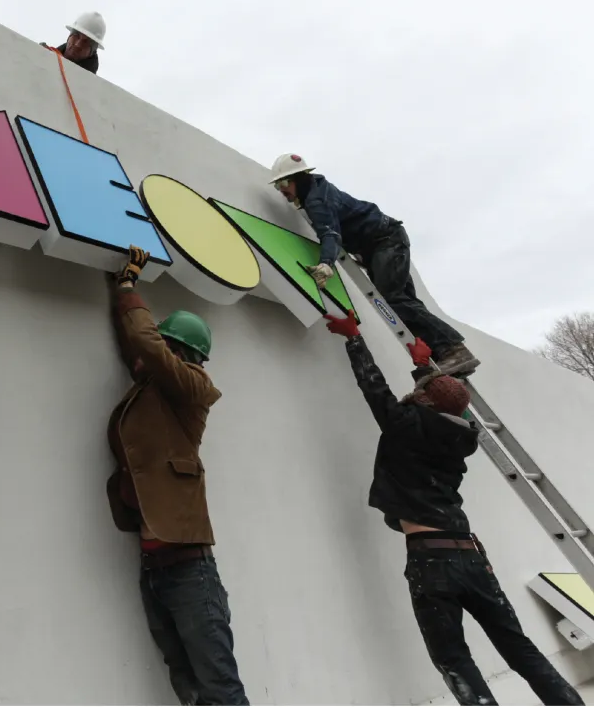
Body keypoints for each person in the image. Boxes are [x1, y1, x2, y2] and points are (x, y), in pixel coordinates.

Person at [324, 309, 584, 707]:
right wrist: (421, 365)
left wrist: (353, 337)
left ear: (423, 402)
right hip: (473, 557)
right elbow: (441, 401)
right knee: (519, 649)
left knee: (454, 660)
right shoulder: (462, 438)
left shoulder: (406, 424)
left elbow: (374, 387)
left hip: (432, 561)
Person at [105, 246, 248, 706]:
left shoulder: (193, 387)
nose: (153, 352)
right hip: (155, 569)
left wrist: (130, 284)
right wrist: (119, 297)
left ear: (181, 352)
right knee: (188, 687)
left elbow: (146, 344)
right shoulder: (156, 387)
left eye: (165, 344)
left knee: (219, 689)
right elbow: (138, 345)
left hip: (190, 570)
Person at [269, 152, 479, 377]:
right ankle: (445, 355)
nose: (281, 190)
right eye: (277, 185)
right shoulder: (317, 188)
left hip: (385, 242)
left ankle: (455, 349)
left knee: (393, 301)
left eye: (283, 183)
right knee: (405, 303)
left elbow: (330, 233)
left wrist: (326, 263)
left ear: (299, 179)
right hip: (385, 242)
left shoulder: (316, 200)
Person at [40, 10, 105, 75]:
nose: (77, 45)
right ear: (69, 36)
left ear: (92, 52)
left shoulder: (89, 84)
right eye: (76, 36)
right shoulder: (45, 59)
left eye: (85, 42)